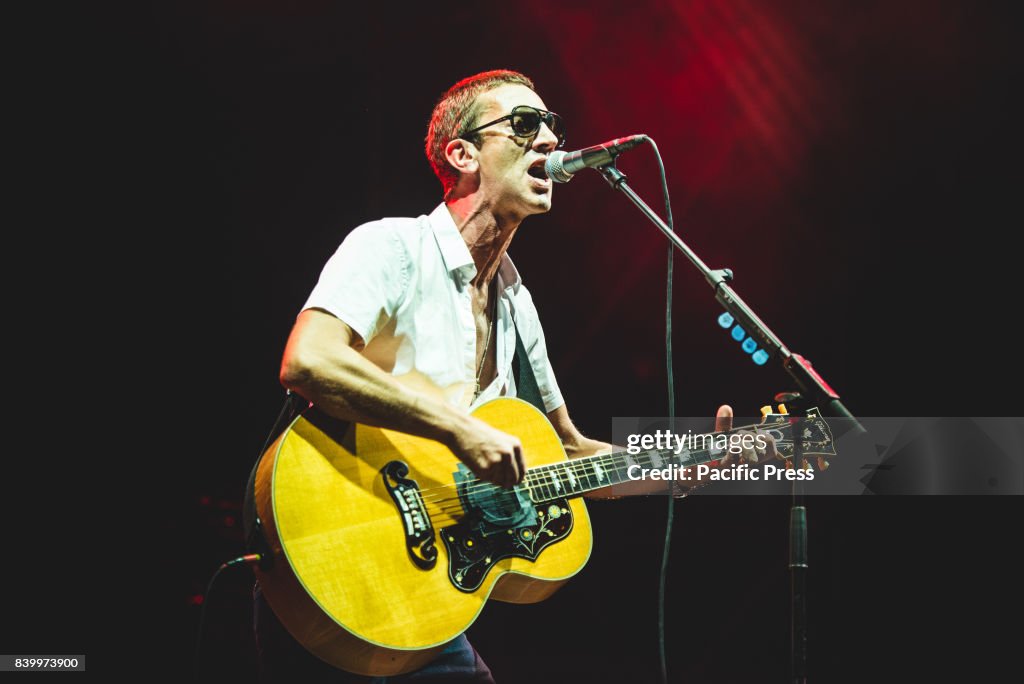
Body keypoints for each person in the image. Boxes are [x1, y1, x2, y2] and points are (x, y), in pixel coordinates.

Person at [253, 69, 772, 683]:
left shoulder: (516, 301)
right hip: (337, 556)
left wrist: (684, 466)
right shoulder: (392, 248)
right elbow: (307, 360)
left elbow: (572, 453)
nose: (550, 140)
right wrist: (456, 430)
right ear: (462, 153)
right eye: (525, 125)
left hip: (423, 603)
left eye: (553, 125)